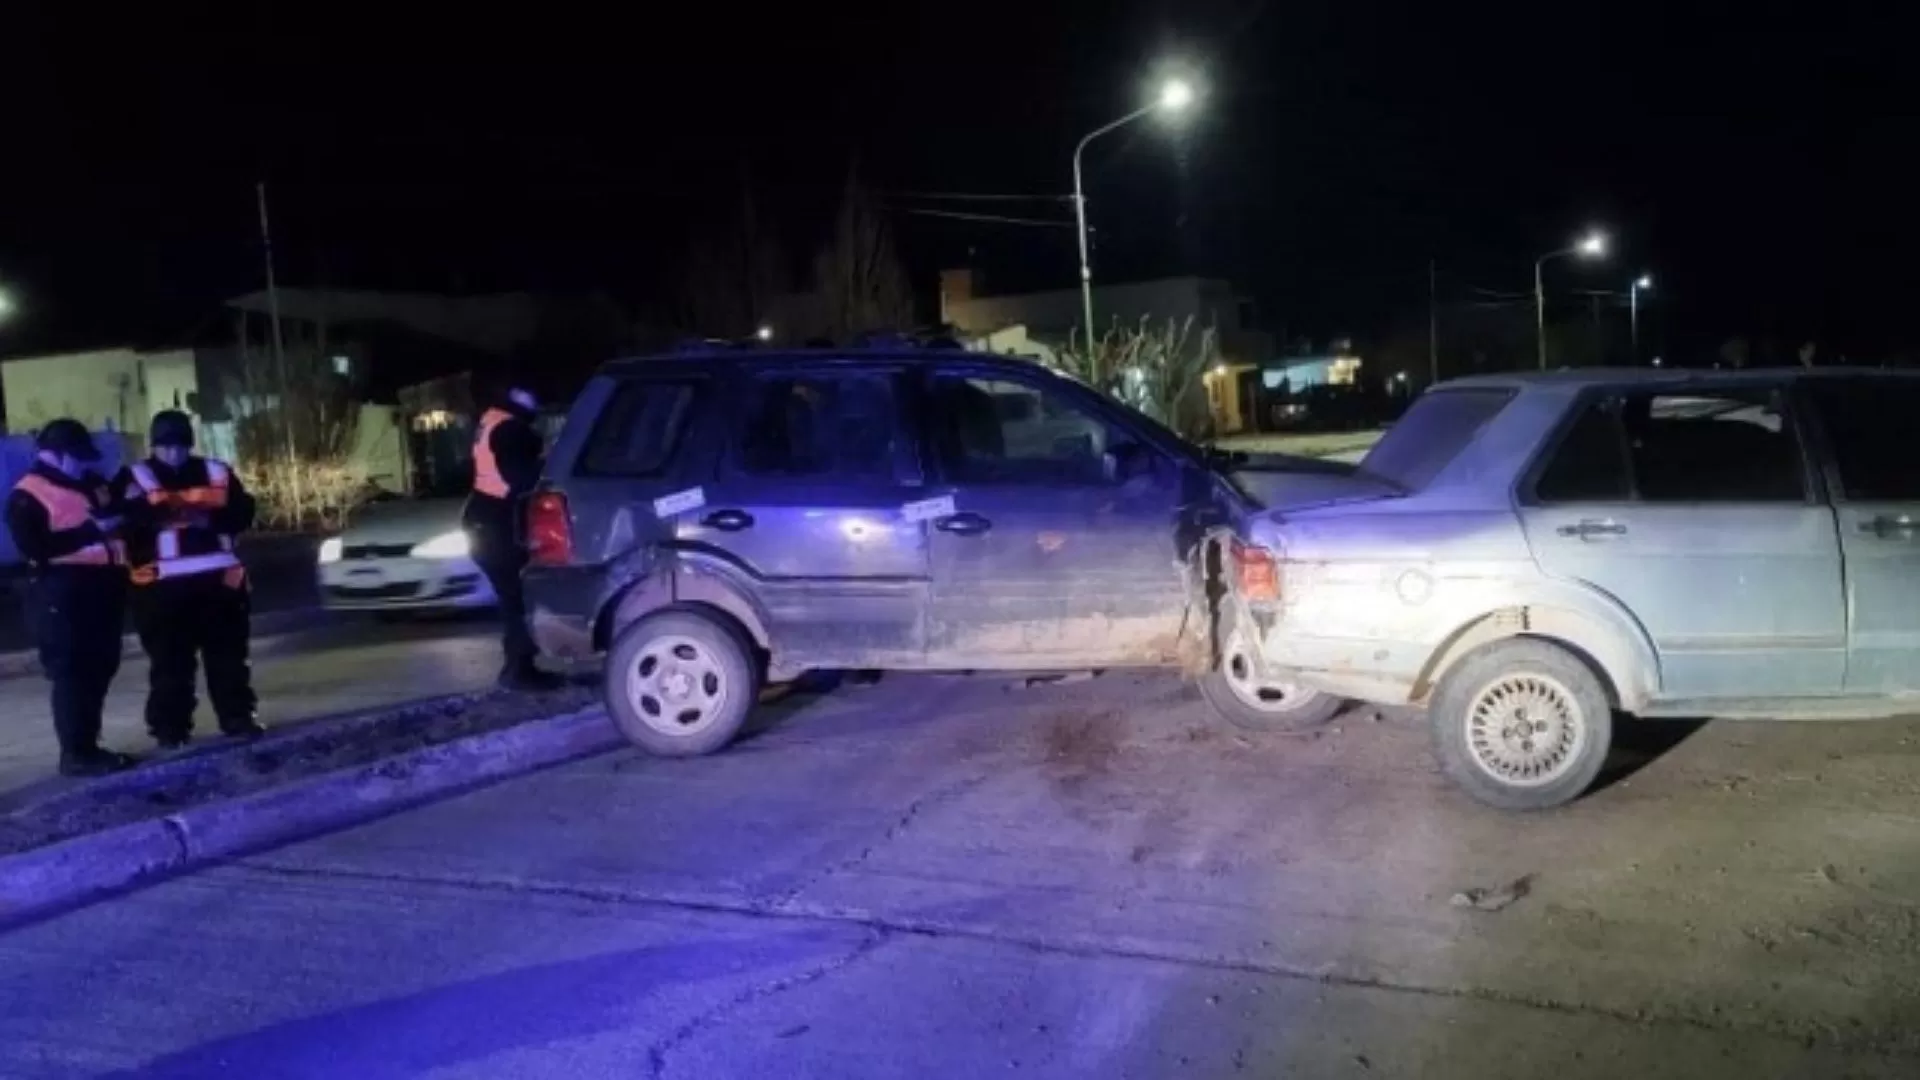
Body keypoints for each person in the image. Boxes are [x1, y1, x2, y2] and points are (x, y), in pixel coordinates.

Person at [117, 410, 264, 748]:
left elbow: (242, 514)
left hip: (219, 587)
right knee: (171, 666)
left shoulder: (217, 472)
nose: (174, 453)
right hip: (162, 592)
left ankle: (237, 717)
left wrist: (206, 521)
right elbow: (125, 523)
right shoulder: (134, 477)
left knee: (228, 659)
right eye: (167, 447)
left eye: (180, 446)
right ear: (155, 446)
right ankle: (171, 731)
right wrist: (167, 515)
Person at [5, 419, 136, 776]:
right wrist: (91, 530)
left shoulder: (90, 484)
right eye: (77, 458)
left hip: (101, 588)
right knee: (73, 672)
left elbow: (116, 513)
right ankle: (76, 754)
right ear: (55, 455)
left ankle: (89, 747)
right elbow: (35, 548)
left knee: (99, 667)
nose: (85, 464)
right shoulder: (27, 495)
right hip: (62, 593)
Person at [463, 386, 560, 690]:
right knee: (516, 598)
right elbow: (521, 479)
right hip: (496, 523)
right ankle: (518, 671)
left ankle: (519, 667)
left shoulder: (493, 420)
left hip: (486, 520)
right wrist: (550, 463)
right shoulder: (509, 429)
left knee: (514, 598)